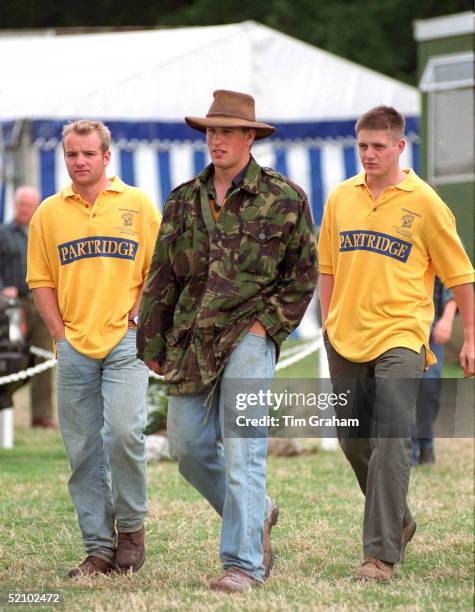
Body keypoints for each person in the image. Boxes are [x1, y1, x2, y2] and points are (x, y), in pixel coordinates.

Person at [137, 90, 317, 593]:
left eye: (226, 131)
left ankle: (243, 565)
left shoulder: (284, 197)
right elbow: (162, 276)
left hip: (250, 334)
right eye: (210, 131)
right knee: (188, 448)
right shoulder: (181, 199)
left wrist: (266, 327)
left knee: (244, 450)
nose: (215, 140)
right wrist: (151, 341)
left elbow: (303, 274)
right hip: (192, 339)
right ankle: (258, 511)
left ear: (250, 137)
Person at [318, 106, 474, 582]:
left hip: (402, 335)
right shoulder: (341, 198)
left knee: (390, 436)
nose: (368, 154)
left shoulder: (425, 203)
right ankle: (399, 519)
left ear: (400, 147)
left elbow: (461, 276)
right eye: (362, 145)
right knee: (353, 440)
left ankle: (379, 555)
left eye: (378, 146)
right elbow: (326, 266)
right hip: (345, 336)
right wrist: (328, 325)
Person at [26, 120, 161, 578]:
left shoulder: (138, 205)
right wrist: (60, 335)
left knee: (123, 433)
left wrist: (139, 316)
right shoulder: (48, 213)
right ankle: (98, 550)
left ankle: (132, 528)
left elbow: (159, 267)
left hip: (126, 340)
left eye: (87, 154)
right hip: (73, 345)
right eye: (71, 154)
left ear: (106, 156)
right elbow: (41, 280)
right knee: (82, 449)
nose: (79, 162)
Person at [0, 186, 54, 427]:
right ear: (15, 205)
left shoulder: (44, 234)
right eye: (21, 204)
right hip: (14, 306)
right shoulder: (3, 233)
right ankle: (5, 403)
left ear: (36, 206)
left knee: (44, 360)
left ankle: (41, 417)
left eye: (29, 204)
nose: (24, 209)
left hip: (43, 303)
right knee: (15, 358)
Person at [412, 277, 456, 465]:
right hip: (399, 328)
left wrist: (447, 320)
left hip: (430, 328)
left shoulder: (441, 246)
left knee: (429, 386)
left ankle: (426, 443)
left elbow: (454, 281)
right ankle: (410, 452)